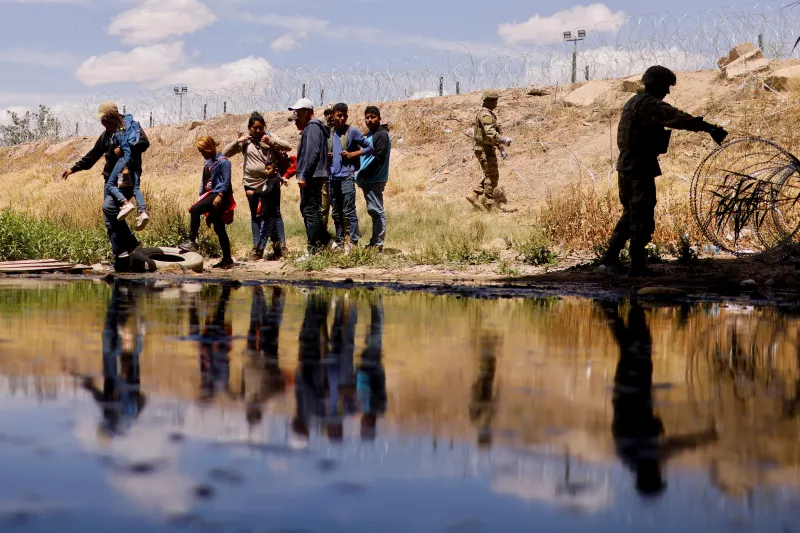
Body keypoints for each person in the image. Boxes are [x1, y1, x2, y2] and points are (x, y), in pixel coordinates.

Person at [600, 66, 728, 277]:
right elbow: (677, 118)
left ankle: (610, 258)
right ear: (657, 84)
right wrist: (708, 127)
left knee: (630, 214)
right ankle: (637, 266)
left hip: (629, 164)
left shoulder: (634, 102)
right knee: (641, 214)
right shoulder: (649, 105)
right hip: (639, 166)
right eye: (667, 86)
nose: (667, 91)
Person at [599, 299, 717, 497]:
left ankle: (623, 305)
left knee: (637, 347)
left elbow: (676, 446)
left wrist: (704, 437)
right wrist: (702, 438)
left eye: (659, 475)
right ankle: (617, 307)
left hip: (633, 395)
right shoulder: (631, 457)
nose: (661, 471)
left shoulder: (642, 456)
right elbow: (675, 447)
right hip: (625, 394)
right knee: (631, 348)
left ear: (652, 476)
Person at [61, 102, 140, 261]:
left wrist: (125, 151)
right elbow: (93, 155)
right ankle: (119, 257)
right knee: (110, 219)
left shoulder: (129, 130)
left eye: (104, 119)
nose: (101, 123)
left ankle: (130, 243)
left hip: (124, 180)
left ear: (112, 118)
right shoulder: (106, 135)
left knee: (109, 208)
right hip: (109, 179)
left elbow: (142, 144)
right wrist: (73, 169)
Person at [224, 112, 292, 261]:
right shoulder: (245, 142)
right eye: (255, 128)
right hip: (251, 183)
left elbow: (288, 147)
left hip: (270, 182)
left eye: (261, 128)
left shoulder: (269, 136)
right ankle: (257, 248)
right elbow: (225, 153)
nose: (258, 131)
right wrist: (237, 141)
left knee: (275, 214)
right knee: (256, 215)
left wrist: (271, 140)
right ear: (250, 128)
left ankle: (280, 246)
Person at [179, 136, 235, 269]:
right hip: (210, 194)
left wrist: (220, 196)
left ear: (210, 148)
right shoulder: (208, 162)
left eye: (203, 151)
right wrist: (201, 197)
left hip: (219, 194)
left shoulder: (224, 162)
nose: (202, 154)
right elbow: (204, 182)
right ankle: (227, 258)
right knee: (219, 227)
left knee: (195, 209)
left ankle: (192, 240)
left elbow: (226, 181)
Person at [290, 98, 331, 258]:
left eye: (298, 112)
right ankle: (326, 242)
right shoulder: (312, 127)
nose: (296, 116)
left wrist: (304, 175)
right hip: (313, 175)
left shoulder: (313, 127)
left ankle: (314, 250)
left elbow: (312, 154)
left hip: (312, 176)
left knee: (310, 211)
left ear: (308, 111)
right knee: (308, 210)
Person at [329, 103, 372, 252]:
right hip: (332, 178)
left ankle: (353, 242)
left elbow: (369, 147)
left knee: (349, 211)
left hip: (347, 177)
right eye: (339, 115)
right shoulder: (329, 133)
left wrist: (353, 154)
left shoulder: (352, 131)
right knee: (335, 212)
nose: (341, 118)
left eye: (344, 115)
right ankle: (340, 242)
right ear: (333, 116)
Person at [467, 90, 509, 211]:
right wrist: (503, 139)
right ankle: (489, 204)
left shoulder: (487, 113)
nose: (496, 103)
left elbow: (491, 134)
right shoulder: (486, 115)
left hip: (486, 148)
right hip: (485, 150)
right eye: (495, 100)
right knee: (492, 176)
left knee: (490, 174)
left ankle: (474, 195)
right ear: (489, 101)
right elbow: (490, 132)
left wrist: (501, 148)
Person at [356, 106, 391, 253]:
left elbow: (379, 157)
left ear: (379, 118)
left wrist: (364, 173)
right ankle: (374, 242)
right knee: (373, 210)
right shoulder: (371, 134)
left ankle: (377, 245)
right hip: (369, 179)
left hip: (373, 178)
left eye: (373, 117)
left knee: (377, 211)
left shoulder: (381, 134)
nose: (369, 120)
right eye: (367, 117)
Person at [114, 110, 152, 231]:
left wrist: (125, 166)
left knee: (121, 188)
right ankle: (142, 211)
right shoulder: (132, 123)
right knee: (135, 188)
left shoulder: (119, 127)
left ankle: (124, 206)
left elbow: (124, 148)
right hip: (137, 162)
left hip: (125, 162)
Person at [250, 160, 283, 260]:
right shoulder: (269, 181)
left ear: (275, 170)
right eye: (265, 169)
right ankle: (278, 252)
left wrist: (254, 193)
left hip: (270, 211)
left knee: (264, 232)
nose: (265, 171)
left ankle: (258, 253)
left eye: (268, 169)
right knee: (274, 234)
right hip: (268, 211)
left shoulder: (274, 181)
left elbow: (268, 193)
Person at [321, 107, 336, 230]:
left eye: (332, 114)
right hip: (324, 174)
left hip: (338, 174)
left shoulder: (342, 132)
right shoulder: (322, 131)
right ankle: (322, 234)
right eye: (327, 114)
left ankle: (341, 237)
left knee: (338, 207)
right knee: (323, 207)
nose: (330, 116)